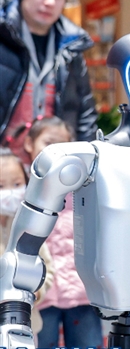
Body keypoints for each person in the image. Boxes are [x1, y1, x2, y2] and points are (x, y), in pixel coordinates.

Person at [0, 0, 97, 164]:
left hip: (56, 163)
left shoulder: (72, 48)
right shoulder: (3, 38)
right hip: (6, 164)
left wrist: (87, 162)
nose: (50, 1)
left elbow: (84, 111)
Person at [25, 117, 104, 349]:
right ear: (29, 144)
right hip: (42, 296)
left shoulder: (84, 190)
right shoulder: (22, 187)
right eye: (49, 144)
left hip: (82, 292)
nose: (56, 153)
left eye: (63, 147)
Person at [0, 147, 55, 345]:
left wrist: (36, 293)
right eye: (1, 185)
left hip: (25, 324)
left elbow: (47, 269)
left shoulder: (30, 227)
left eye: (16, 184)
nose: (9, 191)